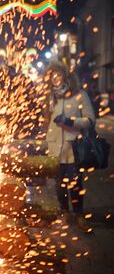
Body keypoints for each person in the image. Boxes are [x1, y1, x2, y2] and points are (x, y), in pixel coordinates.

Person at [45, 61, 95, 233]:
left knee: (75, 183)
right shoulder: (50, 96)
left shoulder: (79, 95)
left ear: (65, 76)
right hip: (55, 147)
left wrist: (70, 122)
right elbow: (46, 121)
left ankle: (79, 214)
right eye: (52, 76)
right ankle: (64, 211)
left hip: (73, 148)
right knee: (59, 184)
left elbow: (90, 120)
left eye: (58, 75)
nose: (55, 79)